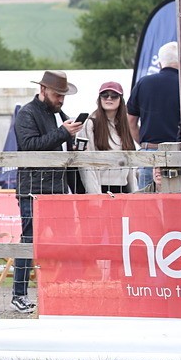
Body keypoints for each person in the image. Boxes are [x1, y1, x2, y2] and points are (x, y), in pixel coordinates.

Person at [13, 71, 85, 314]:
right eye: (57, 95)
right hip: (33, 188)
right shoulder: (26, 113)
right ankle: (19, 293)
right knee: (29, 240)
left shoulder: (57, 115)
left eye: (63, 96)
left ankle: (58, 288)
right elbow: (29, 145)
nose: (61, 100)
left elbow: (53, 146)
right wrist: (64, 133)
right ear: (43, 90)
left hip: (55, 187)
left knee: (60, 239)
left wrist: (71, 139)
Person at [126, 41, 181, 191]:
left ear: (160, 62)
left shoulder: (143, 83)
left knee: (147, 206)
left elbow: (130, 122)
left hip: (149, 154)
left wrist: (144, 144)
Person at [78, 82, 138, 194]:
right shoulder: (91, 123)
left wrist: (134, 192)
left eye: (114, 95)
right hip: (101, 188)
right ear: (99, 99)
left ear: (120, 100)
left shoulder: (124, 125)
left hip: (123, 189)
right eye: (104, 95)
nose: (109, 98)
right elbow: (86, 163)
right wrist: (95, 194)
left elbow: (131, 165)